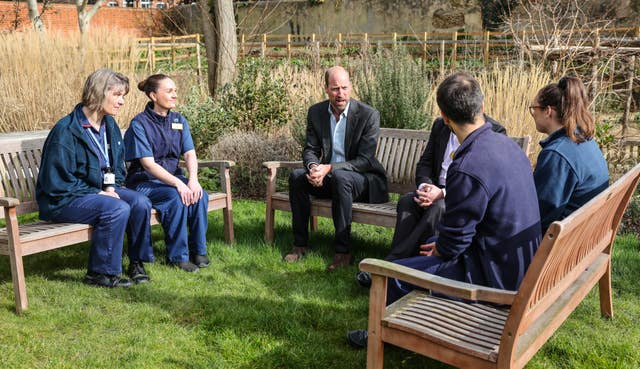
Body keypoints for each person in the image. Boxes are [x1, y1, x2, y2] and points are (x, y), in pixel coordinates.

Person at [347, 72, 542, 349]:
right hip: (517, 262)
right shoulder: (509, 147)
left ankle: (383, 337)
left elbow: (454, 244)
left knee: (392, 277)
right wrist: (440, 245)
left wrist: (441, 247)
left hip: (496, 278)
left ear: (445, 117)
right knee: (429, 245)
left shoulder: (468, 165)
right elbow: (464, 230)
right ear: (481, 107)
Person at [356, 115, 506, 287]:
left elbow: (481, 180)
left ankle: (393, 267)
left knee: (439, 208)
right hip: (433, 189)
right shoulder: (441, 125)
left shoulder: (493, 130)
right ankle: (401, 268)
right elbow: (425, 163)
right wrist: (425, 186)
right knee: (407, 202)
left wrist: (442, 193)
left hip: (462, 195)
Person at [36, 68, 154, 287]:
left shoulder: (109, 125)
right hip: (64, 200)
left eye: (123, 96)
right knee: (116, 208)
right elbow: (56, 183)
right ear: (99, 93)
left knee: (140, 202)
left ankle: (136, 263)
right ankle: (100, 274)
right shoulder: (66, 131)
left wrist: (111, 188)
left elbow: (116, 167)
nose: (121, 102)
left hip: (98, 192)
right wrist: (97, 192)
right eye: (117, 95)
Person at [284, 66, 389, 271]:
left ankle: (342, 252)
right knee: (297, 177)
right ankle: (299, 245)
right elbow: (310, 149)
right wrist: (314, 167)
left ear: (350, 87)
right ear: (326, 89)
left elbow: (365, 160)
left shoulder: (369, 115)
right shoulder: (316, 112)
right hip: (333, 178)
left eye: (344, 87)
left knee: (341, 177)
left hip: (364, 180)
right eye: (335, 89)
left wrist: (329, 168)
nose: (340, 94)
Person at [124, 74, 209, 273]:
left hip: (171, 178)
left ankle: (198, 250)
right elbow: (148, 165)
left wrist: (193, 180)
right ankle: (178, 256)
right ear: (153, 95)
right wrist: (179, 184)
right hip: (144, 182)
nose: (175, 95)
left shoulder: (179, 120)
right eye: (169, 91)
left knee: (200, 194)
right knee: (175, 197)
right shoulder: (139, 124)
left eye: (175, 91)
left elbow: (190, 153)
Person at [530, 76, 609, 233]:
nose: (532, 113)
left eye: (534, 108)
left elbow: (537, 216)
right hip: (583, 239)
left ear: (548, 111)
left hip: (557, 250)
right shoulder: (585, 140)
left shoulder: (557, 155)